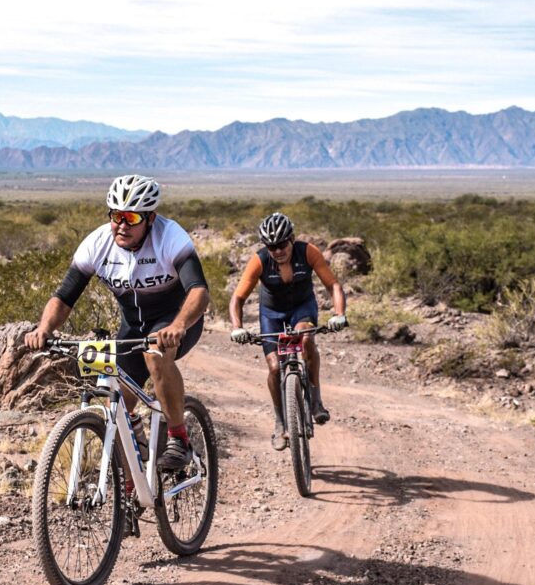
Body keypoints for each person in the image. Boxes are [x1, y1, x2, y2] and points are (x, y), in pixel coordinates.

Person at [25, 175, 209, 470]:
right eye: (115, 215)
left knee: (155, 353)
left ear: (150, 218)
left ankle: (178, 438)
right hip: (132, 327)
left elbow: (199, 292)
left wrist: (178, 325)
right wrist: (44, 328)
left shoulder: (171, 237)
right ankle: (131, 481)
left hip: (175, 321)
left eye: (131, 217)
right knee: (113, 398)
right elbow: (64, 297)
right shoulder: (97, 244)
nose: (122, 225)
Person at [229, 212, 347, 450]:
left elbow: (332, 284)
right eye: (272, 246)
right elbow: (237, 298)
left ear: (292, 239)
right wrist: (236, 327)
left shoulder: (308, 252)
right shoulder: (260, 260)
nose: (278, 250)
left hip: (302, 309)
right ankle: (280, 422)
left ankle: (315, 401)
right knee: (274, 367)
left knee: (305, 339)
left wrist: (339, 313)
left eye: (282, 244)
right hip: (271, 314)